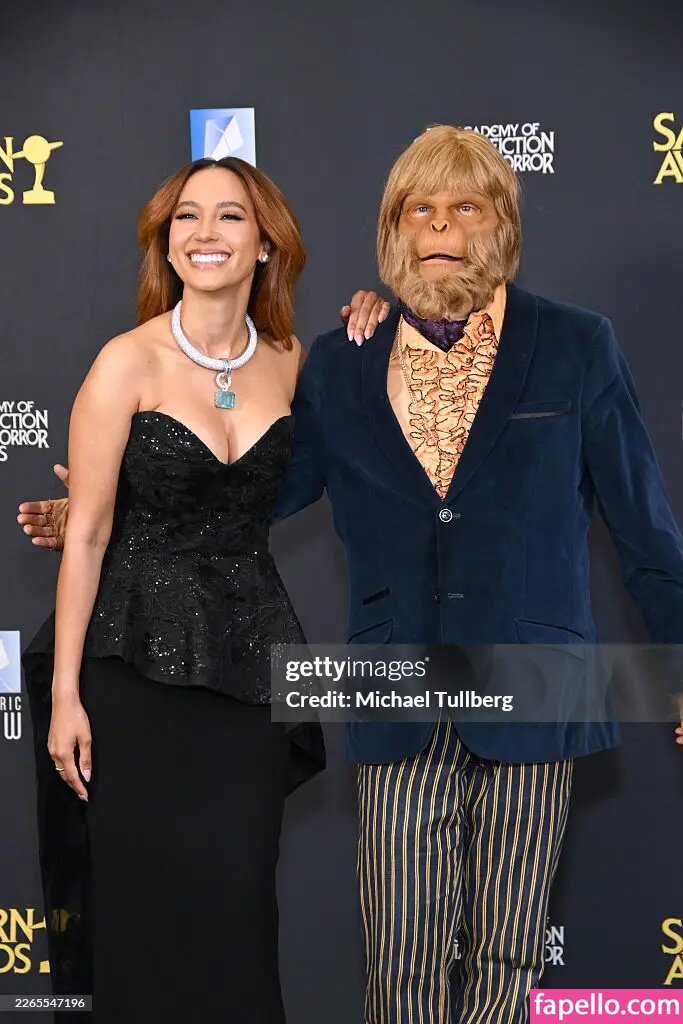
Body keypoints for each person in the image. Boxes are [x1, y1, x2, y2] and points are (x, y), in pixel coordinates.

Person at [21, 126, 683, 1024]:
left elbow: (644, 527)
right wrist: (104, 508)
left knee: (509, 954)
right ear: (390, 229)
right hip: (394, 684)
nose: (439, 226)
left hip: (537, 683)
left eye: (465, 207)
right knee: (399, 957)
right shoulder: (344, 356)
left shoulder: (576, 344)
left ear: (503, 224)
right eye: (419, 209)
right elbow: (250, 490)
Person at [18, 154, 387, 1024]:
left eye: (229, 215)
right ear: (166, 242)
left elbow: (389, 387)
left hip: (248, 678)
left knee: (238, 914)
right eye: (186, 216)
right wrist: (66, 697)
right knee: (140, 917)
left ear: (265, 244)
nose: (204, 233)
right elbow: (88, 536)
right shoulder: (126, 362)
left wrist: (378, 312)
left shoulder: (293, 362)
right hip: (127, 675)